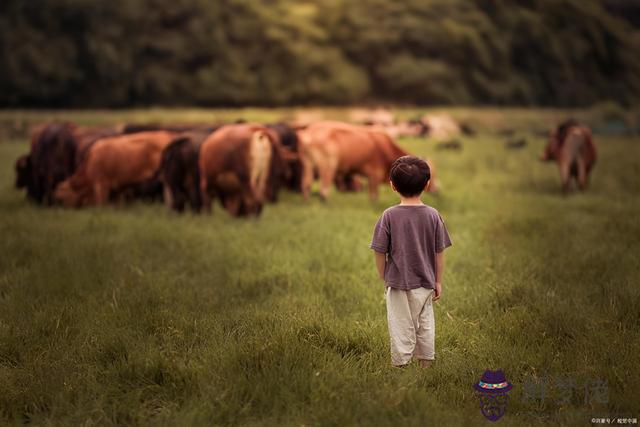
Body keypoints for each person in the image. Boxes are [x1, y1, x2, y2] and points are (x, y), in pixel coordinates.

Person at [370, 155, 452, 368]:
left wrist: (384, 275)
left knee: (400, 325)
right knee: (425, 324)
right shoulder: (433, 215)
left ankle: (401, 365)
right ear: (426, 185)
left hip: (398, 283)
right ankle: (426, 364)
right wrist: (438, 280)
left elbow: (379, 252)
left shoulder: (388, 215)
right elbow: (439, 251)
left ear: (392, 185)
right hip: (426, 282)